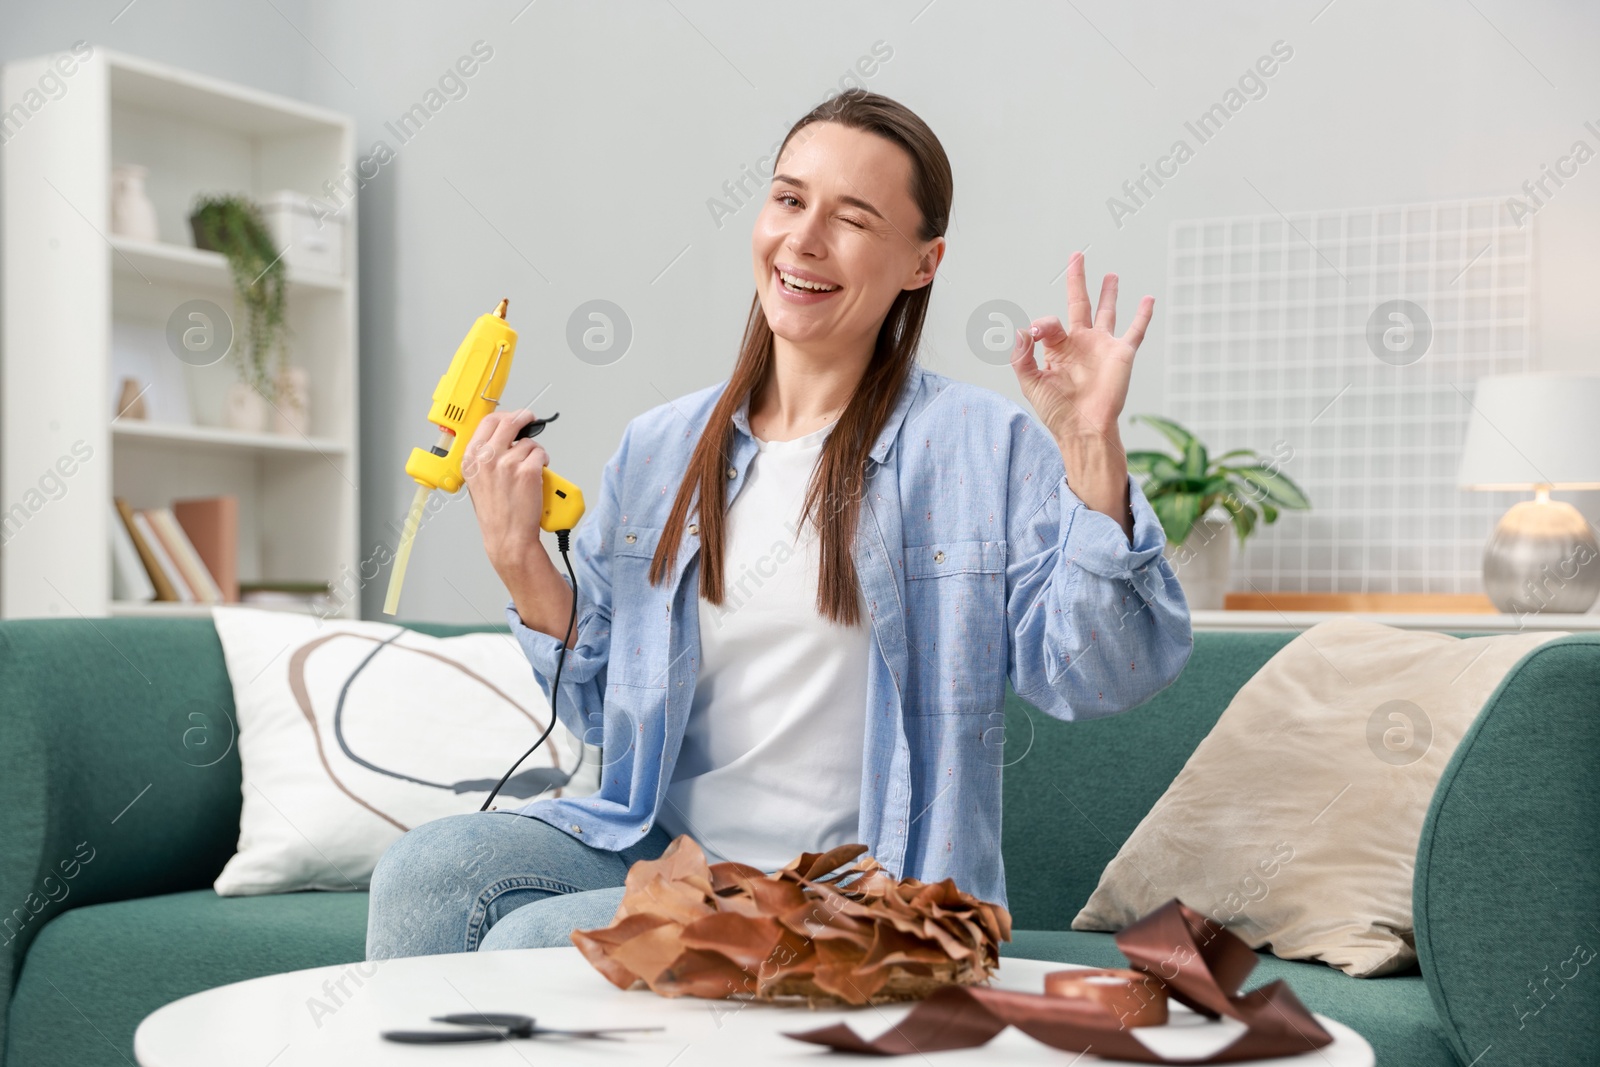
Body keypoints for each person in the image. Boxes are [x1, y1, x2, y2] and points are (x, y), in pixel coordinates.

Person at [366, 88, 1192, 961]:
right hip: (674, 863)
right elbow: (605, 715)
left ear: (922, 262)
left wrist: (1091, 444)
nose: (803, 239)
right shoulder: (660, 449)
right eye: (790, 199)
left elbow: (1101, 676)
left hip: (875, 896)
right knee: (425, 867)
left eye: (853, 218)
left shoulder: (981, 446)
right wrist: (517, 555)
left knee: (540, 941)